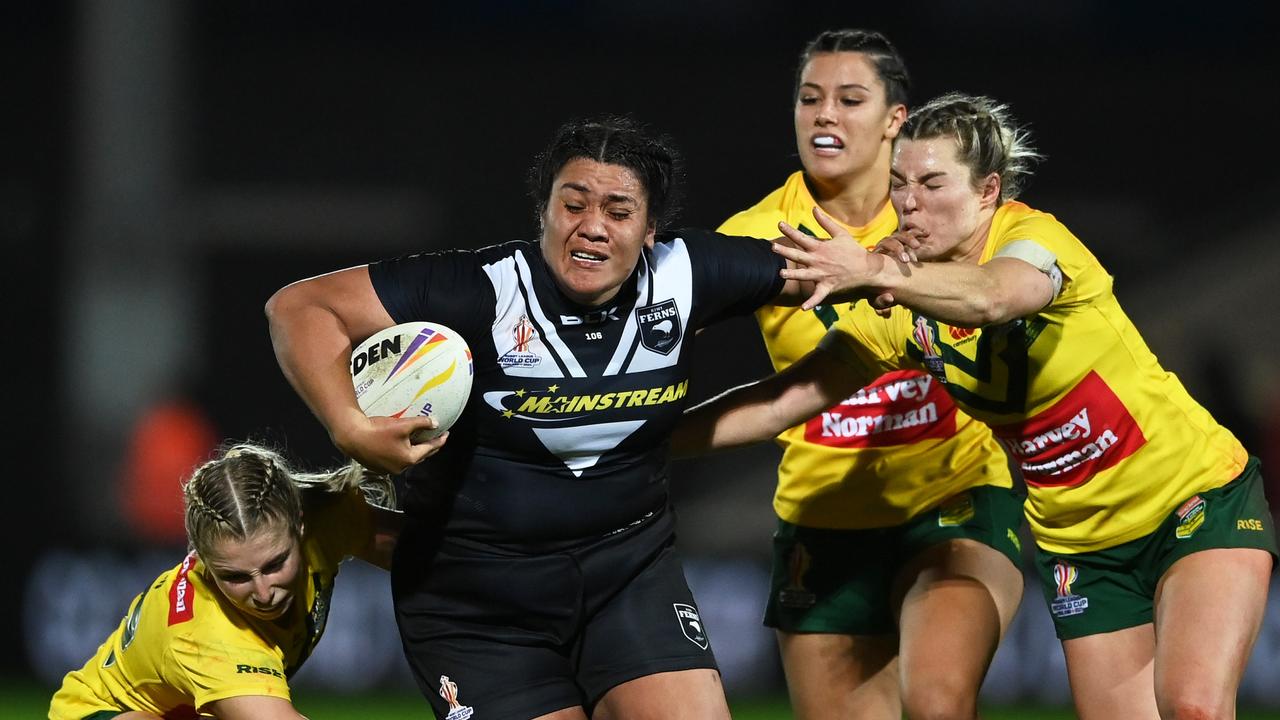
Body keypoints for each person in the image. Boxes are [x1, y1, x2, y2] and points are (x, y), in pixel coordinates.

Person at [679, 93, 1277, 719]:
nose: (910, 202)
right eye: (900, 184)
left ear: (988, 190)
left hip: (1195, 499)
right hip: (1080, 548)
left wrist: (880, 274)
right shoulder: (902, 311)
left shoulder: (1036, 239)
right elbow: (785, 401)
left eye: (934, 182)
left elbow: (996, 297)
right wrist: (645, 435)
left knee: (1193, 707)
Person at [264, 116, 837, 720]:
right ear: (545, 211)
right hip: (478, 605)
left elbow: (851, 276)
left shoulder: (688, 272)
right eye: (574, 204)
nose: (592, 227)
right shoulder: (478, 289)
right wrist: (348, 425)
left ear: (650, 231)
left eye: (618, 211)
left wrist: (880, 274)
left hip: (628, 578)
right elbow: (299, 306)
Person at [715, 30, 1023, 720]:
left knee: (938, 700)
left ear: (894, 120)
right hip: (821, 518)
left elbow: (1008, 290)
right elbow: (662, 330)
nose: (824, 114)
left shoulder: (941, 211)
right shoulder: (752, 236)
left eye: (850, 99)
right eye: (809, 98)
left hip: (953, 496)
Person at [49, 443, 401, 720]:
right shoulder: (206, 635)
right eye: (235, 577)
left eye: (275, 564)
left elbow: (433, 557)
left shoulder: (327, 521)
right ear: (202, 559)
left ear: (301, 525)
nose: (263, 593)